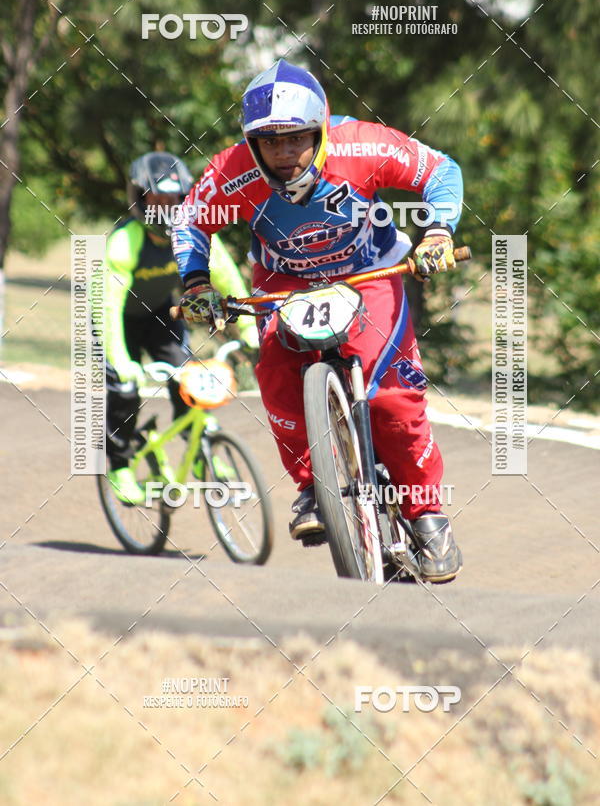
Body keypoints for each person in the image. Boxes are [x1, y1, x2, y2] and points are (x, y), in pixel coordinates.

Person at [171, 60, 464, 582]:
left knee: (392, 397)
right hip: (283, 283)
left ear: (321, 131)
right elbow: (190, 220)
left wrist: (438, 232)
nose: (284, 154)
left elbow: (441, 170)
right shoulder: (232, 169)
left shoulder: (363, 144)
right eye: (270, 142)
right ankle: (312, 487)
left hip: (369, 274)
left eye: (296, 139)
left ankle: (426, 513)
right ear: (252, 143)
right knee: (277, 378)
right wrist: (196, 283)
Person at [104, 150, 258, 505]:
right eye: (157, 199)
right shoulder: (125, 241)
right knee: (125, 389)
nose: (166, 207)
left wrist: (251, 331)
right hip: (116, 322)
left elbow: (227, 279)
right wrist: (122, 361)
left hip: (158, 316)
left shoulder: (192, 234)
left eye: (173, 199)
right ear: (140, 199)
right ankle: (120, 465)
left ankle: (202, 453)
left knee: (188, 381)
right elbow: (108, 308)